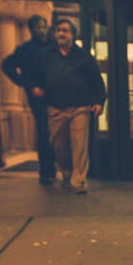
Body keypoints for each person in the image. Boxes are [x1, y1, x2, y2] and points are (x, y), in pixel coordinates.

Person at [33, 18, 105, 194]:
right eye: (58, 30)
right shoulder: (47, 56)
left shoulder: (84, 57)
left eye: (65, 30)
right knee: (59, 147)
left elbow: (96, 81)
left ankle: (79, 181)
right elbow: (37, 76)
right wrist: (36, 87)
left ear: (73, 34)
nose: (61, 33)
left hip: (80, 108)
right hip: (56, 108)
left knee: (80, 145)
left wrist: (99, 101)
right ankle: (66, 172)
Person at [0, 15, 55, 184]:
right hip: (38, 96)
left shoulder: (54, 45)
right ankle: (46, 171)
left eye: (43, 26)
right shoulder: (25, 49)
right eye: (37, 27)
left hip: (56, 94)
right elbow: (7, 65)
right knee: (44, 132)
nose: (41, 30)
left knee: (58, 131)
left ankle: (60, 168)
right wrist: (28, 86)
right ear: (31, 30)